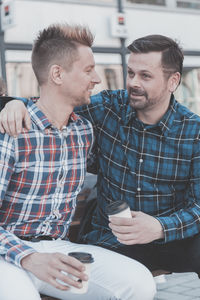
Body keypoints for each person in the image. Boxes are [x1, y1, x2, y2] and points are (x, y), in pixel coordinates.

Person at [1, 35, 200, 277]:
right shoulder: (109, 108)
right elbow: (55, 99)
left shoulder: (194, 132)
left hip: (171, 239)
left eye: (145, 76)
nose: (134, 83)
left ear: (173, 81)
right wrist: (11, 103)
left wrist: (159, 227)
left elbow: (197, 206)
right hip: (112, 240)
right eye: (131, 73)